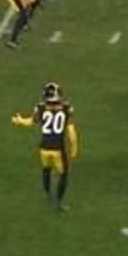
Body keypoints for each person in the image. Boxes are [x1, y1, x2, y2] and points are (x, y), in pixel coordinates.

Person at [11, 82, 79, 211]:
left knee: (46, 169)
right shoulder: (66, 108)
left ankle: (47, 193)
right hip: (58, 149)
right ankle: (59, 203)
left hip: (43, 148)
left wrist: (19, 121)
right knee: (63, 175)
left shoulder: (41, 107)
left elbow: (31, 121)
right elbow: (71, 133)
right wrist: (74, 148)